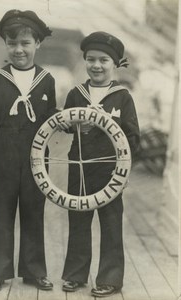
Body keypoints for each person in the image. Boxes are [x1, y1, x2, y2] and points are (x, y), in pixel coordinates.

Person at [0, 9, 57, 292]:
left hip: (36, 158)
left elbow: (50, 118)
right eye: (12, 43)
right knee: (2, 213)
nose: (19, 49)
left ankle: (34, 271)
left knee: (34, 213)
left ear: (38, 44)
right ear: (6, 45)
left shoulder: (47, 79)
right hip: (4, 156)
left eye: (25, 43)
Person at [58, 31, 140, 297]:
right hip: (79, 167)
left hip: (110, 170)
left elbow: (131, 136)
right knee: (78, 220)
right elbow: (69, 127)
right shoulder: (76, 93)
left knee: (111, 223)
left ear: (114, 64)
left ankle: (110, 278)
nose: (96, 65)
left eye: (103, 60)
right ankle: (75, 275)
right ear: (84, 61)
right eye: (91, 59)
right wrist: (64, 123)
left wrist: (124, 170)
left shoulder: (122, 97)